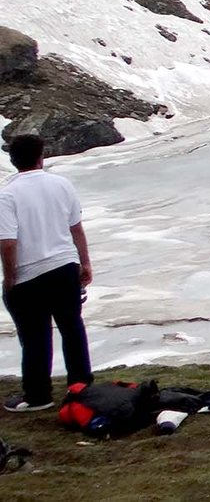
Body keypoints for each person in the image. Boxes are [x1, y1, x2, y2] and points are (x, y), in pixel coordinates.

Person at [0, 134, 93, 412]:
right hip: (65, 265)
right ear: (42, 156)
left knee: (35, 335)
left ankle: (38, 395)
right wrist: (84, 263)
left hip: (29, 273)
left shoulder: (7, 194)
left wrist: (10, 278)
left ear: (13, 160)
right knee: (72, 326)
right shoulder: (61, 184)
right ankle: (81, 387)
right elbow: (76, 227)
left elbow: (7, 242)